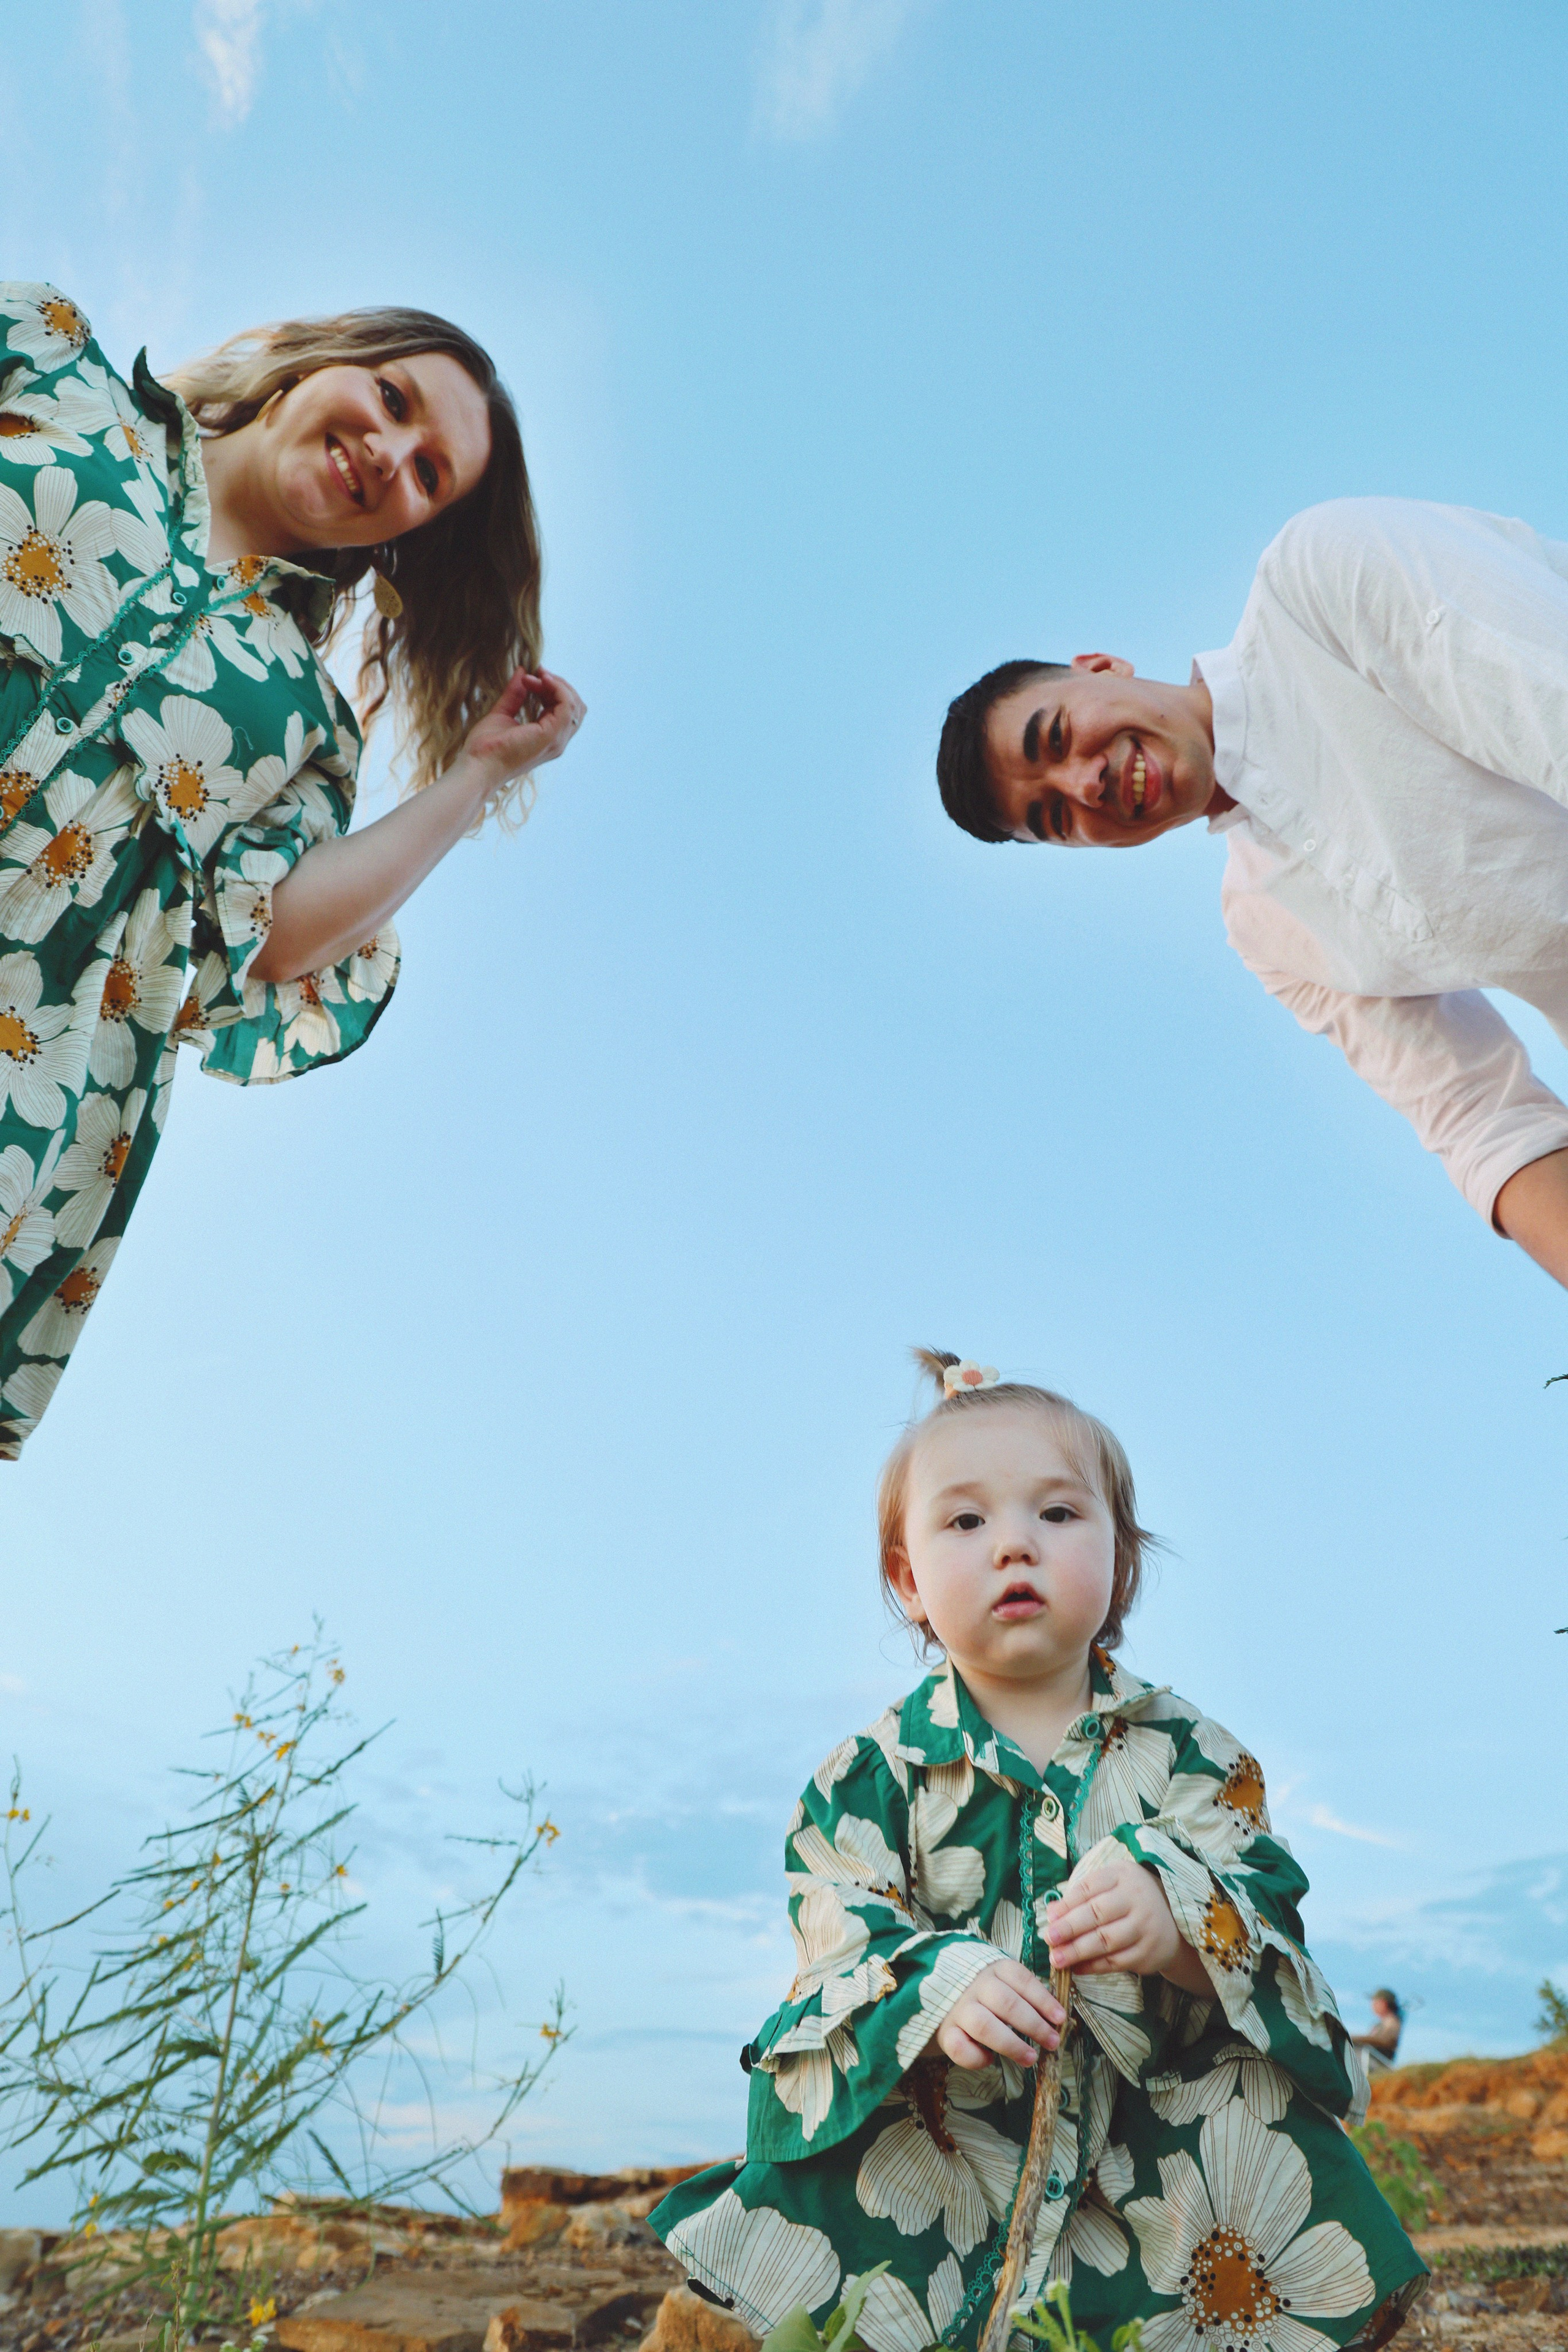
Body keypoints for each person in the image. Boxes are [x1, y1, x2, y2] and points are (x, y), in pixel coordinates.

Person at [650, 1352, 1424, 2352]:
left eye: (1058, 1516)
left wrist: (1180, 1918)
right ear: (909, 1578)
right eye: (966, 1522)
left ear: (1121, 1556)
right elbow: (837, 1919)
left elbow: (1263, 1904)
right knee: (830, 2178)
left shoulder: (1196, 1753)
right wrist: (936, 1981)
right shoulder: (874, 1771)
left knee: (1257, 2120)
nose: (1014, 1544)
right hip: (943, 2143)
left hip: (1156, 2154)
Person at [0, 281, 584, 1458]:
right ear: (319, 361)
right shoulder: (57, 372)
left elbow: (279, 932)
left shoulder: (303, 724)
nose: (391, 452)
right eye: (392, 398)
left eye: (428, 475)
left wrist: (476, 774)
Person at [935, 498, 1568, 1291]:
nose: (1084, 781)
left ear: (1100, 667)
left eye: (1055, 737)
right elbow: (1480, 1120)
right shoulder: (1266, 926)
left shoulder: (1320, 579)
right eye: (1056, 816)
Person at [1352, 1991, 1404, 2078]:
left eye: (1375, 2002)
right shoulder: (1381, 2023)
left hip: (1378, 2065)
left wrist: (1355, 2039)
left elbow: (1386, 2041)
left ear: (1384, 2003)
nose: (1373, 2006)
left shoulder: (1392, 2021)